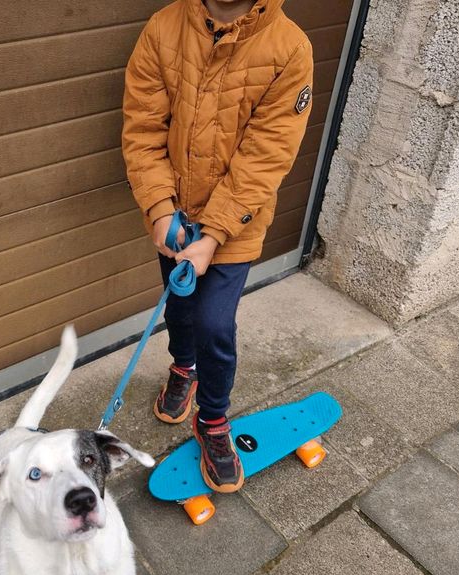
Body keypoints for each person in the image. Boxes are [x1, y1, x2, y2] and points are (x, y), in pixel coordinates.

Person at [121, 0, 314, 492]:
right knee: (181, 307)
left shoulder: (290, 49)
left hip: (235, 225)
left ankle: (213, 420)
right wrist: (161, 210)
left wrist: (213, 235)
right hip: (173, 217)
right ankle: (182, 367)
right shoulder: (164, 28)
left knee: (214, 324)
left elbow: (266, 155)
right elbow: (143, 128)